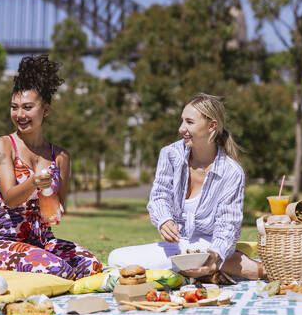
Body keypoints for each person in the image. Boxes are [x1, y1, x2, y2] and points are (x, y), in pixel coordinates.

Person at [108, 93, 264, 280]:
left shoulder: (231, 172)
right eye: (182, 121)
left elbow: (227, 224)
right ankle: (219, 269)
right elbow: (159, 196)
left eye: (189, 122)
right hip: (178, 247)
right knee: (115, 258)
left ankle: (218, 265)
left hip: (210, 246)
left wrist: (215, 255)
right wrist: (164, 220)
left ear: (212, 126)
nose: (182, 128)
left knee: (195, 258)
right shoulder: (170, 154)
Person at [0, 55, 102, 281]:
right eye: (14, 107)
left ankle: (45, 273)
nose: (20, 115)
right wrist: (33, 183)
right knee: (59, 270)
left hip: (42, 241)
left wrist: (54, 208)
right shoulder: (3, 146)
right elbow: (10, 199)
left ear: (45, 110)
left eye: (28, 107)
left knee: (92, 265)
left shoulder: (61, 157)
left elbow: (58, 208)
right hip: (2, 242)